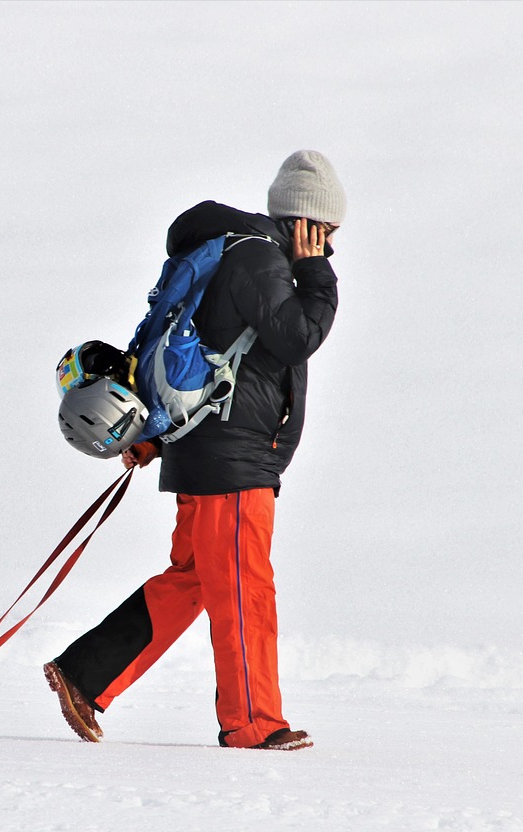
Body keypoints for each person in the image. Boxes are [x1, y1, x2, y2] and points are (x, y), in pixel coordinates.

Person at [44, 150, 345, 751]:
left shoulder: (233, 254)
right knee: (243, 587)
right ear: (306, 221)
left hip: (214, 451)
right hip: (231, 461)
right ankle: (254, 723)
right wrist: (316, 277)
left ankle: (85, 673)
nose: (330, 246)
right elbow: (296, 338)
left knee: (197, 579)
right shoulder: (260, 260)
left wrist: (158, 433)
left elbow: (206, 355)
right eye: (327, 232)